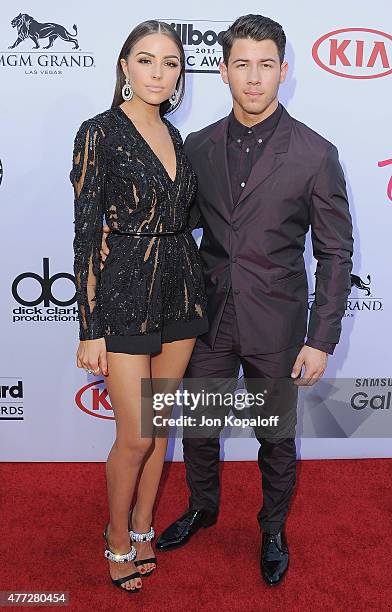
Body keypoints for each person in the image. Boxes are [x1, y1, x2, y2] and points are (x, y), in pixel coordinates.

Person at [100, 14, 354, 586]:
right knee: (198, 427)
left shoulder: (317, 154)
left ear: (284, 71)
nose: (254, 77)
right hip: (204, 315)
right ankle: (202, 507)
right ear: (223, 71)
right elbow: (171, 225)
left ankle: (272, 530)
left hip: (278, 322)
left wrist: (320, 339)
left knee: (275, 436)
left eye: (266, 65)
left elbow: (336, 254)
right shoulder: (198, 144)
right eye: (242, 64)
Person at [70, 20, 208, 593]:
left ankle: (145, 523)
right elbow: (83, 233)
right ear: (124, 66)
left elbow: (189, 217)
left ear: (180, 74)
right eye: (146, 60)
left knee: (160, 424)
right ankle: (116, 534)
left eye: (170, 63)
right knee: (136, 435)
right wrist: (89, 327)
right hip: (124, 292)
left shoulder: (179, 138)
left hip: (180, 287)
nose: (158, 72)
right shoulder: (99, 132)